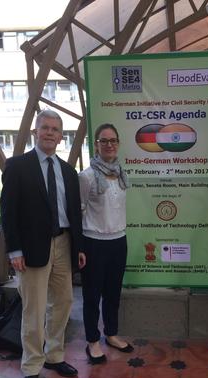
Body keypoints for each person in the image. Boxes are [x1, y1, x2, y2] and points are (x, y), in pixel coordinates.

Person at [1, 109, 86, 378]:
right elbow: (8, 212)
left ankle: (55, 356)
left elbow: (74, 214)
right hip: (31, 249)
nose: (50, 133)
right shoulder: (17, 166)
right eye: (45, 128)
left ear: (62, 136)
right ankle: (31, 367)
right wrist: (14, 250)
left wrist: (79, 248)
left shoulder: (67, 171)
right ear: (36, 132)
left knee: (63, 301)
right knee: (34, 309)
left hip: (63, 243)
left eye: (55, 129)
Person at [79, 123, 133, 364]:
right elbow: (78, 213)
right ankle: (92, 340)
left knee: (113, 293)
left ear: (118, 143)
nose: (109, 144)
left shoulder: (121, 173)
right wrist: (79, 248)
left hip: (118, 242)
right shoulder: (87, 176)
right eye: (104, 140)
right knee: (92, 296)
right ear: (96, 145)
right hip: (93, 244)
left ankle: (111, 333)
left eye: (113, 140)